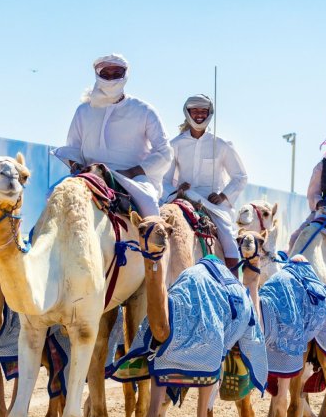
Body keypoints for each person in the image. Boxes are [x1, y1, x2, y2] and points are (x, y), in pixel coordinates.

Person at [52, 54, 172, 218]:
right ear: (97, 75)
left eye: (116, 73)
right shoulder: (83, 111)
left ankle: (151, 244)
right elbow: (73, 147)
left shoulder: (144, 110)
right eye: (105, 74)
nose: (111, 78)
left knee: (149, 205)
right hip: (90, 176)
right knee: (51, 195)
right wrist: (77, 166)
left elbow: (165, 151)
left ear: (125, 75)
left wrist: (132, 171)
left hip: (132, 180)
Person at [163, 94, 248, 272]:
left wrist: (223, 196)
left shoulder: (221, 144)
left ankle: (233, 286)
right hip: (182, 198)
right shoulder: (175, 144)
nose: (199, 115)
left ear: (209, 113)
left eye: (203, 111)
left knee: (228, 237)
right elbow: (164, 179)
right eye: (195, 111)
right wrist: (176, 191)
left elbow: (240, 176)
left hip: (213, 206)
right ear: (188, 113)